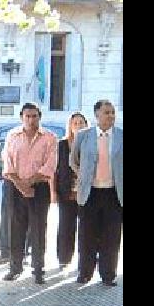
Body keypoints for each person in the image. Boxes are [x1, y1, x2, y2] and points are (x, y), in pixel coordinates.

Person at [1, 103, 58, 284]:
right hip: (15, 187)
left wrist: (30, 182)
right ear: (21, 118)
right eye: (27, 116)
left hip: (39, 188)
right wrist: (20, 184)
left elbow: (50, 165)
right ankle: (15, 267)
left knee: (39, 228)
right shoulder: (12, 136)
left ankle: (38, 269)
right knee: (15, 227)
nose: (31, 120)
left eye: (34, 116)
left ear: (39, 117)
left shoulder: (50, 137)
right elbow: (8, 163)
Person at [70, 100, 122, 286]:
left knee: (112, 235)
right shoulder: (83, 136)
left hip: (113, 194)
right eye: (107, 112)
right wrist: (83, 176)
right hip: (90, 193)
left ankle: (108, 274)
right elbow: (73, 160)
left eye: (113, 112)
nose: (111, 116)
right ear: (97, 115)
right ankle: (85, 272)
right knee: (87, 234)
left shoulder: (121, 136)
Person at [54, 111, 89, 269]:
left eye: (81, 122)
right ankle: (64, 259)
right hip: (66, 192)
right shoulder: (61, 144)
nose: (78, 125)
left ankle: (85, 262)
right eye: (75, 123)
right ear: (70, 126)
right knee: (66, 226)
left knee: (86, 228)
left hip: (86, 192)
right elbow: (55, 170)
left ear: (86, 125)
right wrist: (53, 192)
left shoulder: (91, 143)